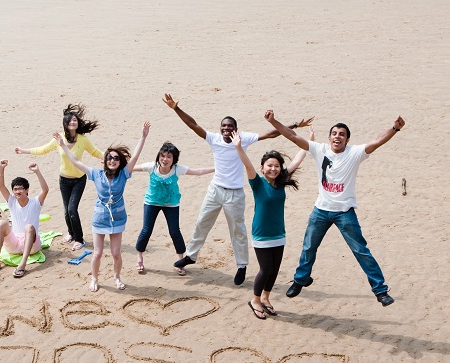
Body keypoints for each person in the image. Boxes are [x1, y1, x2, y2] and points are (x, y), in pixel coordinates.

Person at [163, 93, 313, 285]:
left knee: (238, 231)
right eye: (224, 126)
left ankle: (241, 266)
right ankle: (191, 256)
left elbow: (270, 134)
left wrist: (293, 125)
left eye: (230, 126)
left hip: (235, 194)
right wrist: (176, 108)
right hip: (215, 189)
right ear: (220, 129)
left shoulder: (243, 139)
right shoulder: (213, 139)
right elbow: (193, 125)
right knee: (202, 222)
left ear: (235, 129)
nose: (227, 129)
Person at [264, 110, 405, 307]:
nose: (337, 137)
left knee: (361, 250)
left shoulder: (355, 153)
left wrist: (395, 128)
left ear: (347, 140)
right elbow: (293, 136)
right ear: (329, 137)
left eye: (342, 134)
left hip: (345, 212)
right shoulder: (319, 149)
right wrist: (274, 121)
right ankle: (300, 280)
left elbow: (377, 141)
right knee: (308, 247)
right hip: (321, 210)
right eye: (334, 133)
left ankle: (380, 291)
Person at [54, 122, 150, 292]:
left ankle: (117, 277)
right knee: (97, 253)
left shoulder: (124, 174)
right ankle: (94, 278)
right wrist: (63, 145)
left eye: (116, 158)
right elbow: (76, 161)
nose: (112, 160)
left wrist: (143, 137)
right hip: (100, 218)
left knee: (115, 253)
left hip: (118, 217)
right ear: (105, 160)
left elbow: (135, 157)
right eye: (109, 157)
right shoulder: (96, 174)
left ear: (119, 162)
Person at [232, 128, 311, 319]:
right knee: (265, 269)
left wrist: (309, 142)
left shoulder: (281, 181)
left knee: (274, 270)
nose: (273, 169)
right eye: (269, 166)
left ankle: (266, 298)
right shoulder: (257, 182)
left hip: (279, 233)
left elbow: (297, 160)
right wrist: (238, 147)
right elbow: (247, 164)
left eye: (276, 166)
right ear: (262, 168)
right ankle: (255, 300)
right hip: (261, 233)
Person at [15, 104, 102, 251]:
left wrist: (111, 158)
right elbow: (43, 149)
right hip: (64, 180)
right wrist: (23, 150)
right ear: (66, 124)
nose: (73, 123)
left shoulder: (82, 139)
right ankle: (71, 234)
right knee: (66, 211)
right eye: (70, 121)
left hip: (79, 180)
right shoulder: (59, 139)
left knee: (72, 209)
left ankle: (79, 239)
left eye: (75, 120)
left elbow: (95, 152)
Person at [131, 142, 214, 275]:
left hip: (171, 204)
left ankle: (181, 261)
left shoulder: (177, 169)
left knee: (174, 231)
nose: (165, 159)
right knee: (146, 230)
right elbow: (132, 168)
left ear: (174, 159)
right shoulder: (151, 166)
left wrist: (217, 168)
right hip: (151, 202)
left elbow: (198, 172)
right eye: (162, 156)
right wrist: (117, 167)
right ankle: (139, 257)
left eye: (169, 157)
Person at [0, 160, 49, 278]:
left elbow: (45, 190)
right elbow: (1, 186)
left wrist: (37, 171)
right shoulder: (12, 202)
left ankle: (22, 265)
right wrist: (2, 169)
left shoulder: (35, 202)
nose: (17, 191)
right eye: (15, 189)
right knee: (2, 223)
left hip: (31, 245)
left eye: (20, 189)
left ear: (27, 190)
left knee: (29, 227)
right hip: (14, 244)